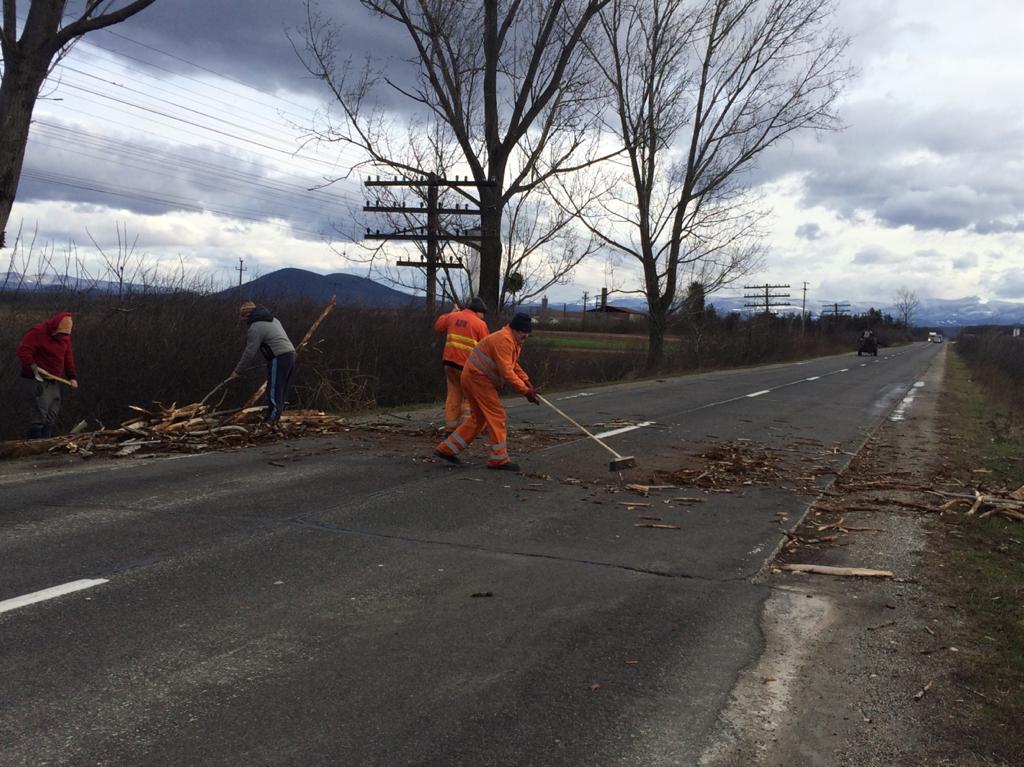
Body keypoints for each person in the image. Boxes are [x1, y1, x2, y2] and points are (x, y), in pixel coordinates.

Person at [434, 312, 539, 472]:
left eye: (527, 332)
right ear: (514, 329)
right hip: (478, 379)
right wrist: (525, 391)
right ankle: (499, 458)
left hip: (474, 378)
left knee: (478, 418)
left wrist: (526, 380)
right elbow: (506, 372)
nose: (525, 335)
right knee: (497, 415)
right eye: (522, 331)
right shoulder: (504, 340)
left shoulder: (513, 341)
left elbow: (513, 364)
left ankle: (446, 449)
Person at [229, 301, 296, 422]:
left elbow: (249, 352)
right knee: (281, 388)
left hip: (278, 357)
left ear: (248, 314)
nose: (245, 321)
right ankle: (276, 415)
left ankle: (272, 419)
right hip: (291, 354)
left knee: (274, 389)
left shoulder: (255, 327)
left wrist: (237, 371)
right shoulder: (274, 320)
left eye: (244, 317)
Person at [16, 311, 78, 438]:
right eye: (60, 334)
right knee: (40, 414)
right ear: (55, 329)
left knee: (51, 415)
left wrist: (72, 376)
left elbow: (67, 357)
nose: (62, 337)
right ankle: (35, 445)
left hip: (54, 380)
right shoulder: (38, 332)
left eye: (64, 335)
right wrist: (35, 368)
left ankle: (47, 443)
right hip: (36, 379)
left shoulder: (65, 338)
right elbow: (23, 351)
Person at [433, 296, 489, 435]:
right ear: (478, 311)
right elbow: (487, 347)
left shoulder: (453, 316)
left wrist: (452, 312)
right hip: (466, 367)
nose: (483, 316)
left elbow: (438, 326)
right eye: (482, 313)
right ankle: (465, 430)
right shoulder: (480, 324)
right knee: (469, 398)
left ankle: (450, 428)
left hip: (449, 363)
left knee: (453, 395)